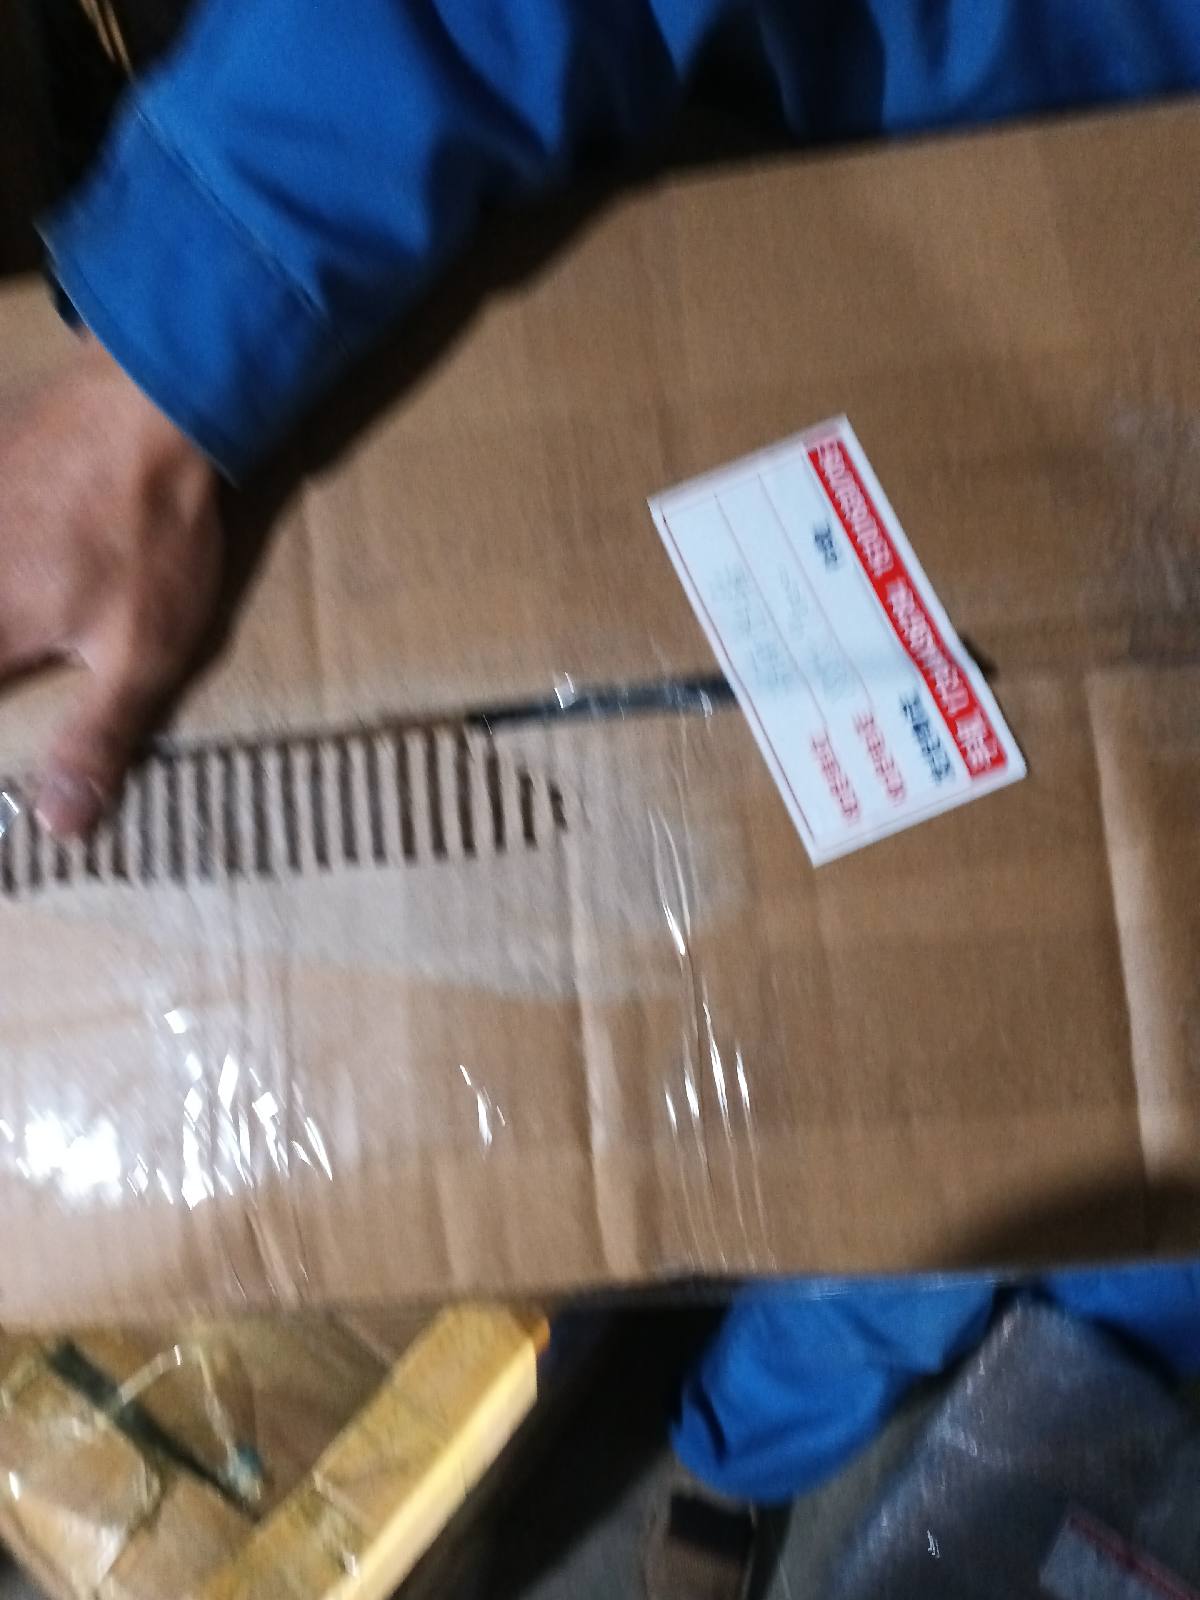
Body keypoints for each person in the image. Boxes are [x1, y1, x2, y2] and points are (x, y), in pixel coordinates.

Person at [4, 9, 1200, 1596]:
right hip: (882, 274)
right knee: (872, 1237)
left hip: (1120, 1033)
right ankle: (732, 1452)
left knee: (1020, 1221)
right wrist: (163, 364)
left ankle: (772, 1441)